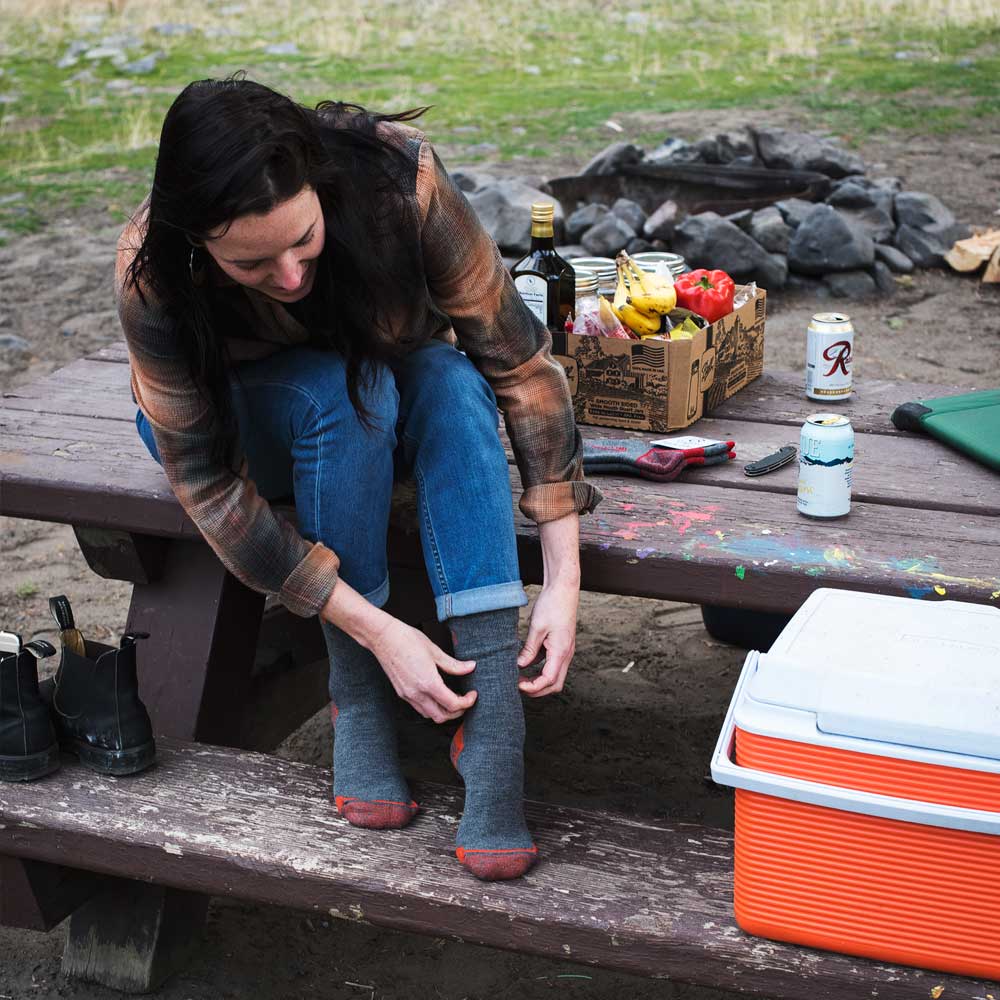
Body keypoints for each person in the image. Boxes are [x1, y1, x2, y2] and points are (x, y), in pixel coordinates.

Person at [116, 76, 601, 881]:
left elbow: (516, 361)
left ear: (318, 181)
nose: (291, 274)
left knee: (449, 382)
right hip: (249, 430)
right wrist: (379, 636)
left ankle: (495, 726)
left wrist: (563, 574)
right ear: (199, 241)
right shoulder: (153, 266)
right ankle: (360, 696)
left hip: (380, 396)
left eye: (302, 239)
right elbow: (207, 484)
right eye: (251, 260)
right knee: (345, 392)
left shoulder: (397, 182)